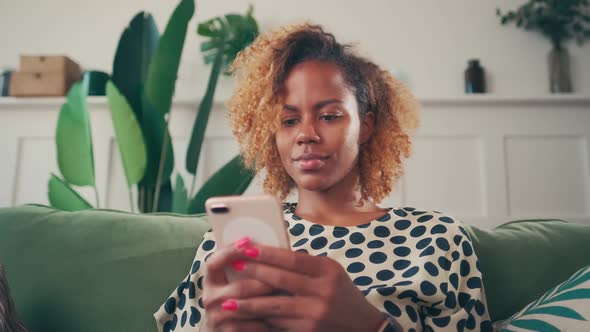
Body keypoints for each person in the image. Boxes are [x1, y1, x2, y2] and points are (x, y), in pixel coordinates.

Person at [154, 23, 492, 332]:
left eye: (329, 116)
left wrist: (369, 326)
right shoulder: (227, 244)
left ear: (366, 125)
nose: (306, 134)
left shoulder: (436, 239)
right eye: (288, 121)